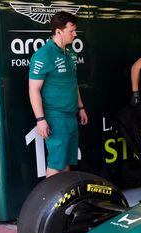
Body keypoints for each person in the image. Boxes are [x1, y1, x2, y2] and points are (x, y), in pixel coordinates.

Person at [28, 11, 88, 178]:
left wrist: (81, 107)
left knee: (66, 161)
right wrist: (40, 119)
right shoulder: (44, 55)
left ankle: (64, 195)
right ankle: (51, 196)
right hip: (55, 116)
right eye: (71, 30)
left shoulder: (69, 53)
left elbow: (72, 82)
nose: (75, 34)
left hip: (71, 115)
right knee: (56, 163)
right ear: (59, 31)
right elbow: (33, 89)